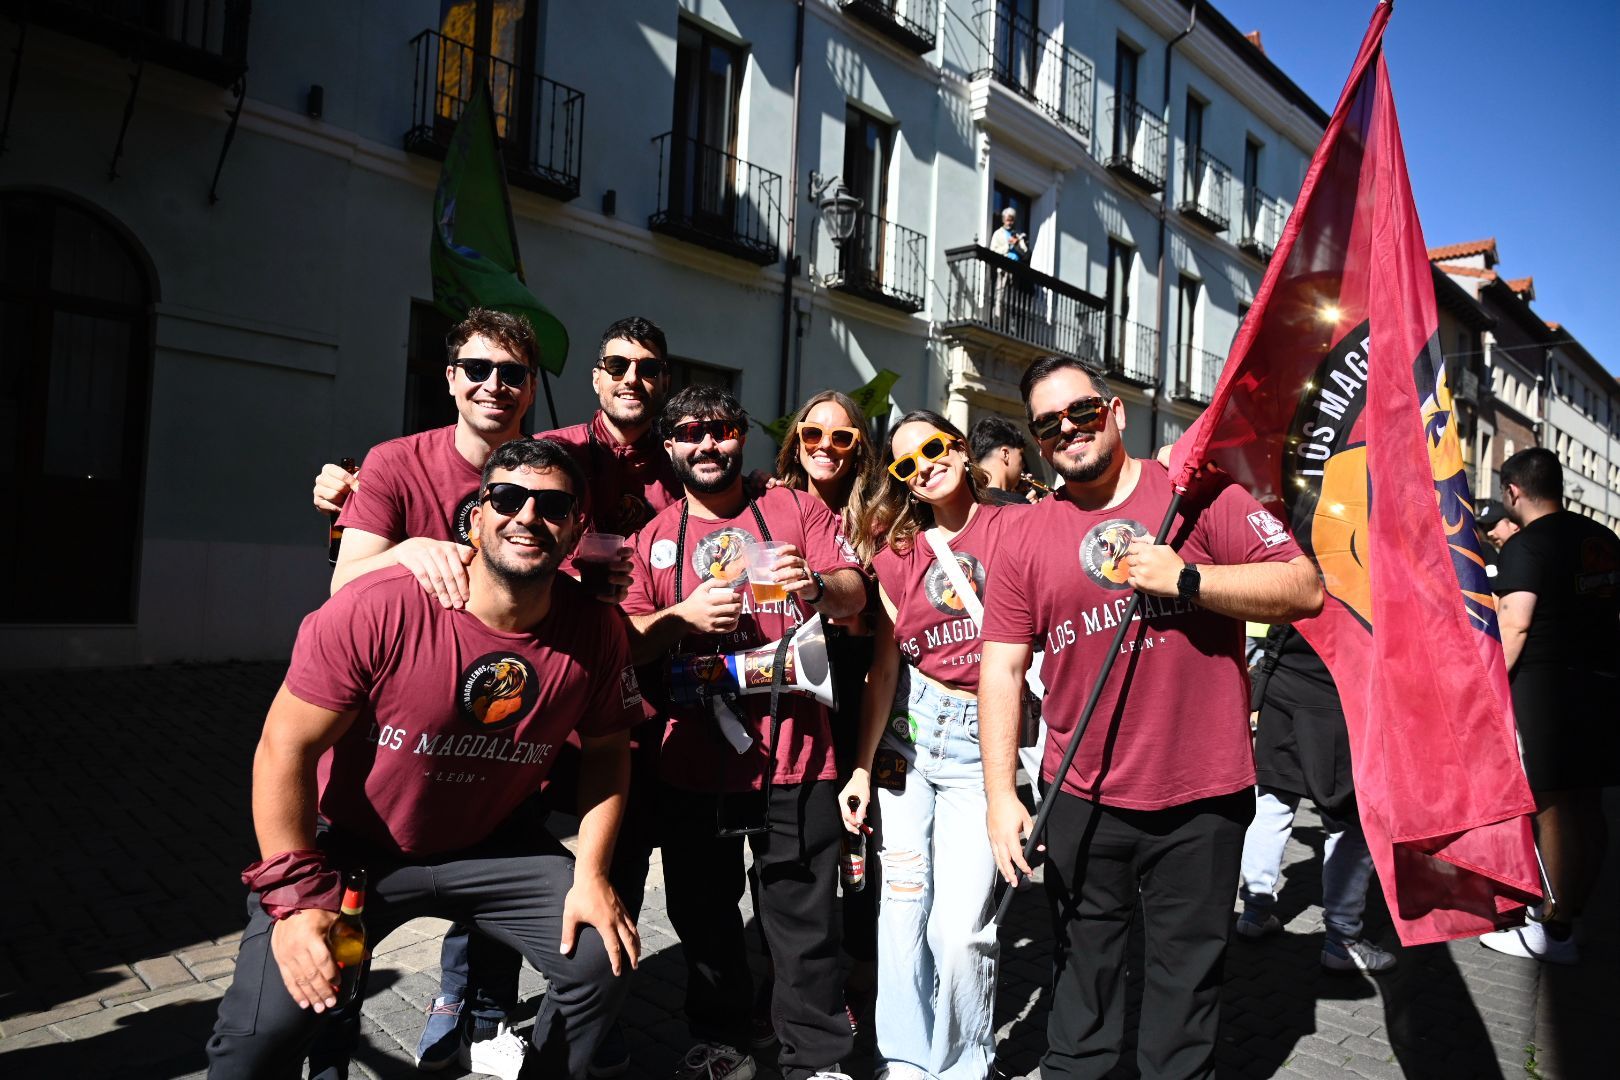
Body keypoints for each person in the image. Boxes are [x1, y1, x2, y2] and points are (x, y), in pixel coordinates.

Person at [206, 439, 643, 1080]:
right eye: (507, 497)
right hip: (354, 847)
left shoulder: (594, 630)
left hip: (493, 846)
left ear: (577, 528)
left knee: (599, 956)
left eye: (552, 505)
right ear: (475, 514)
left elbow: (608, 751)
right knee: (264, 1033)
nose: (527, 516)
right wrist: (297, 898)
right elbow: (284, 747)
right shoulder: (379, 605)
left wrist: (593, 875)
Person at [978, 355, 1323, 1080]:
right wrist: (1000, 795)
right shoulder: (1023, 534)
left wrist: (1186, 578)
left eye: (1081, 412)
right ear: (1039, 443)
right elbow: (1003, 667)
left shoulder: (1196, 495)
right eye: (1049, 425)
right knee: (1082, 990)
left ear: (1116, 413)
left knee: (1184, 992)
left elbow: (1302, 587)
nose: (1068, 430)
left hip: (1204, 797)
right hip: (1081, 797)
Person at [622, 386, 867, 1080]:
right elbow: (631, 641)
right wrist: (682, 617)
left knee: (804, 921)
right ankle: (721, 1041)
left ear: (741, 437)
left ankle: (816, 1060)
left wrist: (816, 585)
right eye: (690, 433)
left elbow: (855, 590)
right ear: (669, 448)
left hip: (798, 758)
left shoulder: (791, 507)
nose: (707, 444)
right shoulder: (654, 536)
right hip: (692, 765)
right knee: (703, 917)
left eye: (722, 430)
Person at [840, 411, 1017, 1080]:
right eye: (906, 464)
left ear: (962, 448)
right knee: (903, 907)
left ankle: (967, 1061)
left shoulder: (1015, 527)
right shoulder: (898, 554)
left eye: (934, 449)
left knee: (962, 927)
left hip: (983, 741)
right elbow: (885, 666)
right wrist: (860, 768)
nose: (924, 466)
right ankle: (907, 1061)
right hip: (909, 741)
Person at [770, 390, 886, 1042]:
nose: (825, 447)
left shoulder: (880, 516)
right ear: (795, 440)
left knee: (861, 833)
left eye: (841, 438)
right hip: (797, 692)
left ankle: (862, 961)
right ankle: (799, 970)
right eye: (812, 433)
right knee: (806, 840)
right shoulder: (775, 505)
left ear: (859, 448)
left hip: (865, 687)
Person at [1479, 448, 1620, 965]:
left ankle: (1553, 929)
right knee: (1588, 804)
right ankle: (1574, 915)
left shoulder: (1528, 545)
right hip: (1602, 682)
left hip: (1548, 687)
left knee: (1555, 806)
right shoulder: (1601, 538)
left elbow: (1514, 622)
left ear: (1512, 491)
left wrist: (1488, 689)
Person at [1234, 627, 1398, 974]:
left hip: (1285, 686)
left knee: (1272, 802)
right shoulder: (1362, 573)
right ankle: (1343, 939)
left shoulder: (1292, 569)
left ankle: (1254, 911)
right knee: (1349, 822)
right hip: (1337, 697)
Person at [968, 415, 1037, 506]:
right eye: (1021, 455)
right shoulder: (1018, 505)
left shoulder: (969, 503)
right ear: (1005, 454)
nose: (1023, 465)